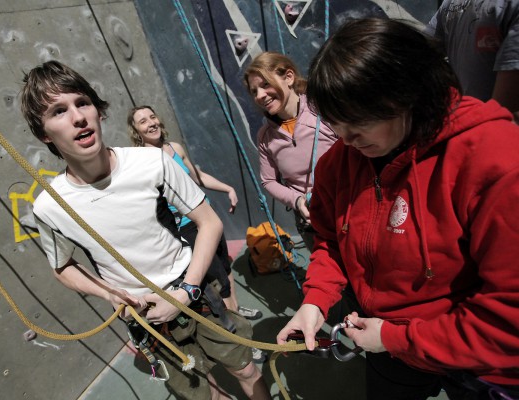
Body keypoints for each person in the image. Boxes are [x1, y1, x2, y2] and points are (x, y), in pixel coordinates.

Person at [277, 18, 519, 400]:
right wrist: (316, 299)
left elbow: (509, 317)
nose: (347, 140)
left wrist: (394, 338)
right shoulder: (339, 164)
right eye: (337, 126)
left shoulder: (495, 159)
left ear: (408, 93)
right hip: (383, 339)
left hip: (475, 355)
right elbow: (329, 240)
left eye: (359, 123)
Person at [19, 60, 270, 400]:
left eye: (82, 103)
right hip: (146, 317)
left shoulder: (151, 162)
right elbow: (62, 267)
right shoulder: (50, 207)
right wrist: (110, 295)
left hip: (196, 293)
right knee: (204, 395)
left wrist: (185, 292)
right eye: (58, 111)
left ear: (98, 111)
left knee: (246, 369)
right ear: (44, 133)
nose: (77, 117)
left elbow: (208, 222)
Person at [127, 105, 266, 362]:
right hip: (187, 228)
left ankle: (235, 310)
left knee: (226, 269)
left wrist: (228, 188)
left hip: (207, 216)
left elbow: (197, 177)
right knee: (217, 282)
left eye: (152, 117)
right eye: (142, 121)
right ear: (136, 130)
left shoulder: (175, 148)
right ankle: (241, 341)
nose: (151, 123)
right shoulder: (141, 161)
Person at [243, 51, 338, 251]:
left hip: (346, 207)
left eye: (265, 84)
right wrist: (297, 200)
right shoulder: (266, 136)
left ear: (288, 77)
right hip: (310, 219)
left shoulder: (322, 110)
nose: (260, 95)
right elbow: (268, 180)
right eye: (254, 91)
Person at [427, 0, 519, 120]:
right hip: (488, 130)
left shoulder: (451, 3)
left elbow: (417, 53)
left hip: (463, 124)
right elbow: (506, 110)